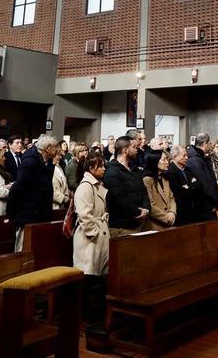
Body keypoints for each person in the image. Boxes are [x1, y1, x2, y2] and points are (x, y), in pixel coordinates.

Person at [73, 156, 110, 327]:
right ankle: (89, 317)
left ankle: (94, 315)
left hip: (99, 235)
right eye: (100, 166)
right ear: (91, 168)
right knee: (90, 277)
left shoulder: (97, 185)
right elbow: (84, 215)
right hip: (90, 240)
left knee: (97, 278)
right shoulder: (85, 187)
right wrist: (94, 232)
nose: (103, 169)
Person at [7, 134, 58, 251]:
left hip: (39, 213)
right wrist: (12, 213)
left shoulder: (45, 161)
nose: (56, 150)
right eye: (54, 147)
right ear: (48, 148)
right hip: (28, 214)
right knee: (24, 248)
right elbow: (18, 186)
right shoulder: (30, 162)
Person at [104, 136, 148, 238]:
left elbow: (144, 191)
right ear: (125, 150)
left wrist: (146, 209)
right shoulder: (112, 171)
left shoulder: (134, 169)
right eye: (133, 147)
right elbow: (119, 199)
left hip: (139, 222)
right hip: (121, 226)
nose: (136, 150)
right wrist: (138, 212)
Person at [185, 133, 218, 221]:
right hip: (204, 205)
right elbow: (205, 184)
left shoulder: (201, 157)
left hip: (207, 204)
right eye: (209, 143)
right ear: (205, 143)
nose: (210, 146)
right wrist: (215, 201)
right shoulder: (196, 160)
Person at [142, 150, 176, 231]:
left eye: (167, 159)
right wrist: (166, 217)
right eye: (164, 160)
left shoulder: (165, 178)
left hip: (169, 221)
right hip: (154, 224)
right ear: (155, 162)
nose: (167, 162)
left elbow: (171, 198)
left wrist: (172, 212)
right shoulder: (147, 180)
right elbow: (150, 205)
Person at [163, 145, 195, 226]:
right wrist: (191, 185)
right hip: (180, 212)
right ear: (175, 157)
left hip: (191, 211)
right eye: (184, 155)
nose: (187, 158)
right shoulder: (169, 172)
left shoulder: (188, 169)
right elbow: (178, 192)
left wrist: (187, 187)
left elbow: (198, 186)